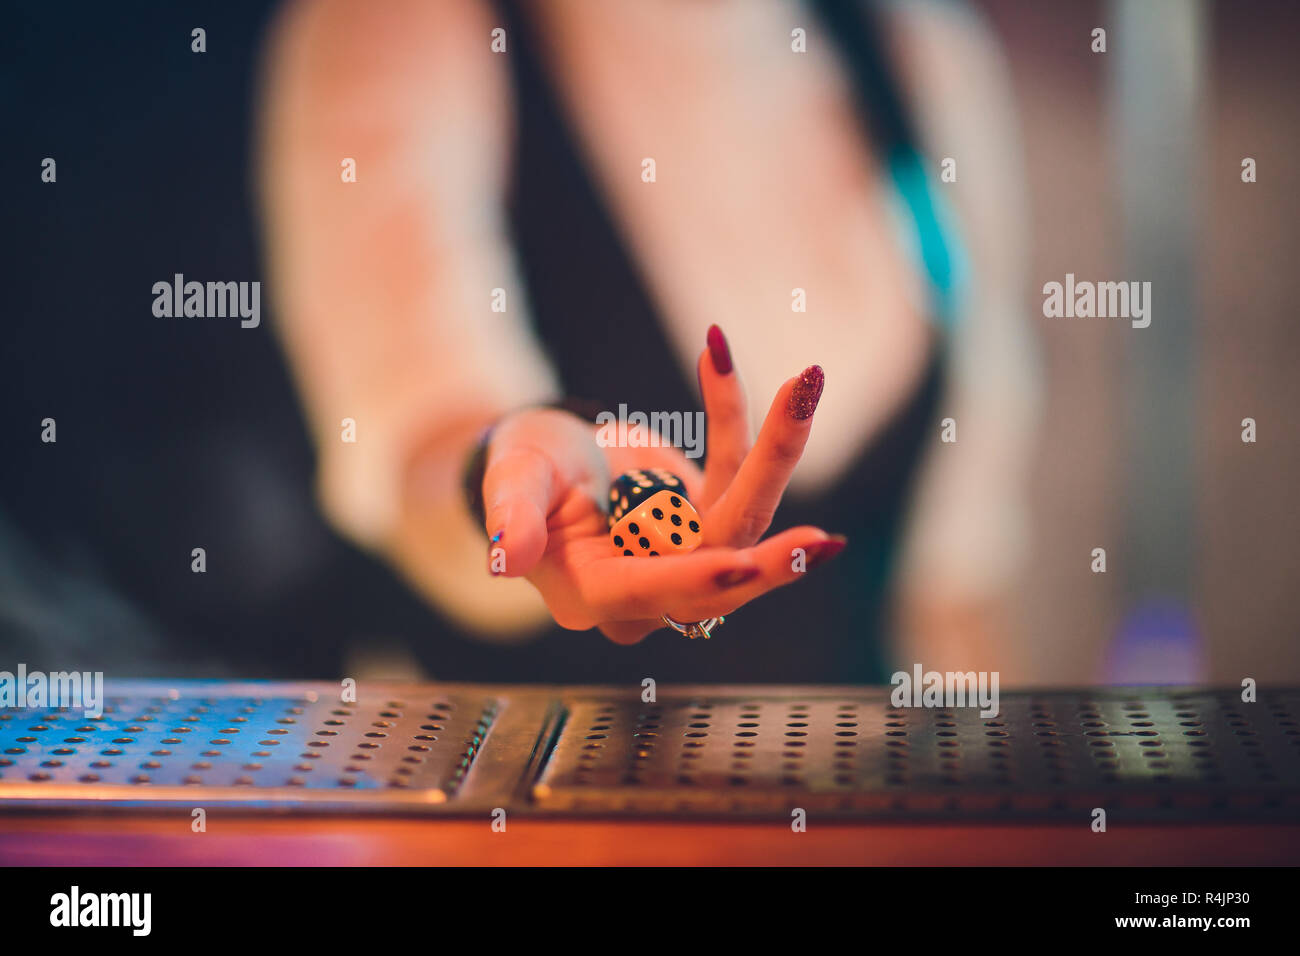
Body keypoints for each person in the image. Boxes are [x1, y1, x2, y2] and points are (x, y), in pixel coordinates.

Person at [257, 0, 1040, 683]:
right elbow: (420, 440)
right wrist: (510, 481)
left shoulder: (924, 49)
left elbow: (956, 589)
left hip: (847, 801)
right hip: (529, 813)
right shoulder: (402, 24)